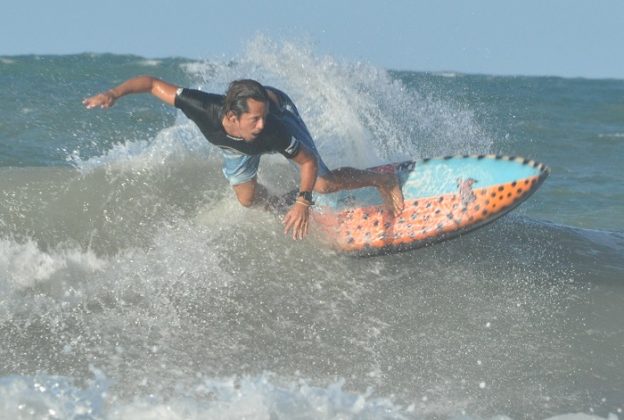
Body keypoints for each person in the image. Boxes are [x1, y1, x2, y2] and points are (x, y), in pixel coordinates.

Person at [83, 76, 404, 240]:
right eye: (254, 119)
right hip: (234, 149)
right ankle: (286, 202)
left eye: (262, 119)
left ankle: (382, 179)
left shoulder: (272, 127)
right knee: (248, 199)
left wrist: (304, 201)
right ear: (232, 116)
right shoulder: (202, 108)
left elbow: (306, 162)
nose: (261, 125)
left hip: (282, 110)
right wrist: (114, 94)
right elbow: (152, 84)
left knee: (322, 182)